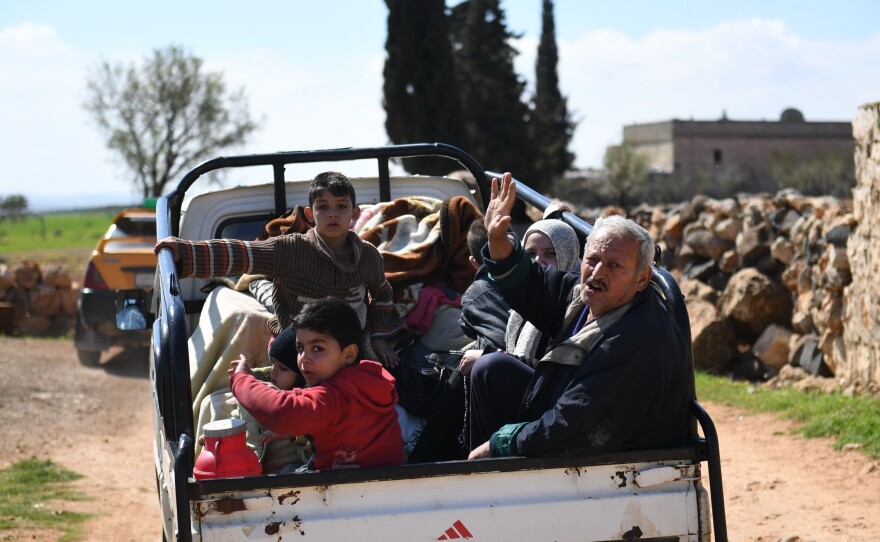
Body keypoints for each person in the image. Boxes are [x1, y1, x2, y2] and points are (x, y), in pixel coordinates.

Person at [467, 172, 690, 460]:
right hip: (568, 416)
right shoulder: (587, 297)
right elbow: (535, 286)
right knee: (490, 370)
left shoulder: (634, 339)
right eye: (593, 260)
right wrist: (498, 241)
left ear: (642, 278)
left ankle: (482, 486)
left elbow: (573, 425)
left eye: (614, 266)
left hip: (611, 462)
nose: (597, 273)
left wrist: (501, 444)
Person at [154, 171, 406, 367]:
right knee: (270, 311)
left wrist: (379, 337)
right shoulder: (290, 249)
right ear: (309, 213)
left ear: (355, 213)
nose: (332, 214)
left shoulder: (369, 257)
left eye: (341, 206)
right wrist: (185, 251)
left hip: (346, 344)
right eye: (323, 206)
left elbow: (382, 292)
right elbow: (243, 253)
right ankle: (258, 285)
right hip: (298, 341)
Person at [229, 297, 404, 470]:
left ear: (349, 354)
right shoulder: (366, 381)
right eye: (300, 348)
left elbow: (281, 412)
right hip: (385, 485)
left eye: (317, 348)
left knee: (287, 472)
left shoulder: (332, 396)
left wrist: (242, 379)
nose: (304, 358)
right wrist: (297, 428)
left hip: (348, 492)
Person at [234, 324, 313, 473]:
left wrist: (294, 433)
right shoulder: (258, 389)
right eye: (272, 363)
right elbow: (238, 418)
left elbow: (314, 438)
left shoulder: (307, 402)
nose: (274, 371)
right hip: (253, 466)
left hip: (290, 472)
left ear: (302, 376)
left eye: (283, 368)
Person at [505, 219, 582, 366]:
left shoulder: (574, 309)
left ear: (568, 254)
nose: (538, 260)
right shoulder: (520, 299)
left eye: (550, 253)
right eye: (531, 253)